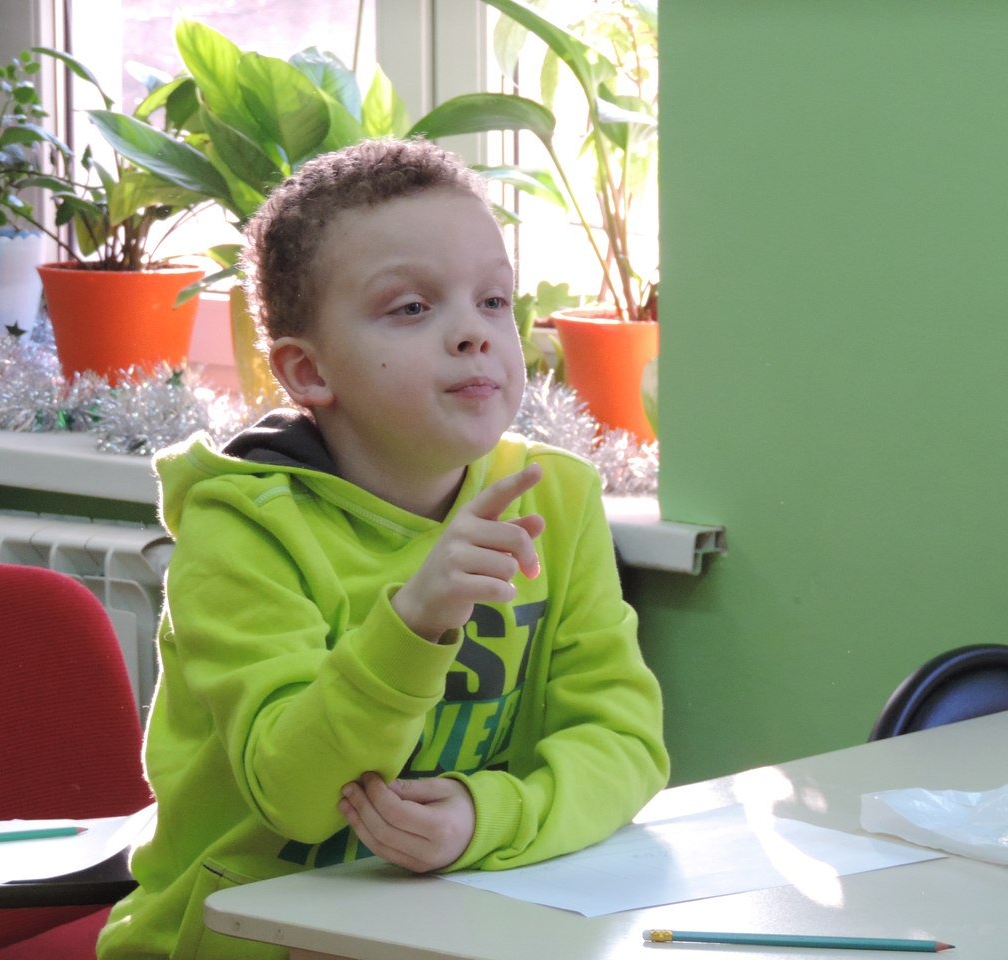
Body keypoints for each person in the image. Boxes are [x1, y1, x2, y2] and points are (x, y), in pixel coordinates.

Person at [97, 137, 669, 959]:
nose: (473, 333)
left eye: (494, 300)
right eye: (411, 308)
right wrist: (415, 622)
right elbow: (298, 797)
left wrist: (484, 817)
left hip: (453, 932)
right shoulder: (242, 530)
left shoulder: (557, 499)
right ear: (307, 371)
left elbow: (624, 745)